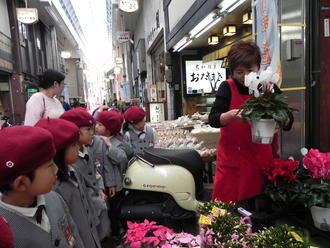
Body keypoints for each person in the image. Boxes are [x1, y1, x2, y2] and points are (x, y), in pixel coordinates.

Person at [208, 41, 293, 203]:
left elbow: (288, 119)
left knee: (259, 213)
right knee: (226, 212)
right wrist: (232, 115)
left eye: (250, 70)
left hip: (261, 162)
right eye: (239, 72)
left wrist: (280, 122)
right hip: (232, 163)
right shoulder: (227, 87)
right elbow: (213, 119)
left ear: (258, 68)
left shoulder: (267, 86)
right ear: (232, 71)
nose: (245, 76)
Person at [0, 126, 84, 247]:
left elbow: (74, 235)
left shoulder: (54, 199)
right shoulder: (5, 233)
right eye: (50, 165)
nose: (56, 169)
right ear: (21, 183)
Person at [35, 118, 101, 248]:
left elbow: (87, 203)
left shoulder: (73, 170)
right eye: (73, 145)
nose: (78, 147)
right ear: (58, 151)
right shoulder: (52, 187)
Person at [60, 107, 111, 241]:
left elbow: (96, 173)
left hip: (98, 201)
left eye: (92, 129)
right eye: (88, 130)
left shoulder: (88, 150)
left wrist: (100, 188)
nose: (92, 133)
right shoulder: (70, 159)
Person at [94, 109, 133, 238]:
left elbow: (121, 158)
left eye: (100, 125)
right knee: (108, 209)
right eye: (97, 124)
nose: (96, 127)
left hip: (116, 184)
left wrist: (110, 145)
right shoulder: (96, 140)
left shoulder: (116, 142)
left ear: (109, 129)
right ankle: (112, 230)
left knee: (116, 209)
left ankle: (119, 231)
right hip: (103, 182)